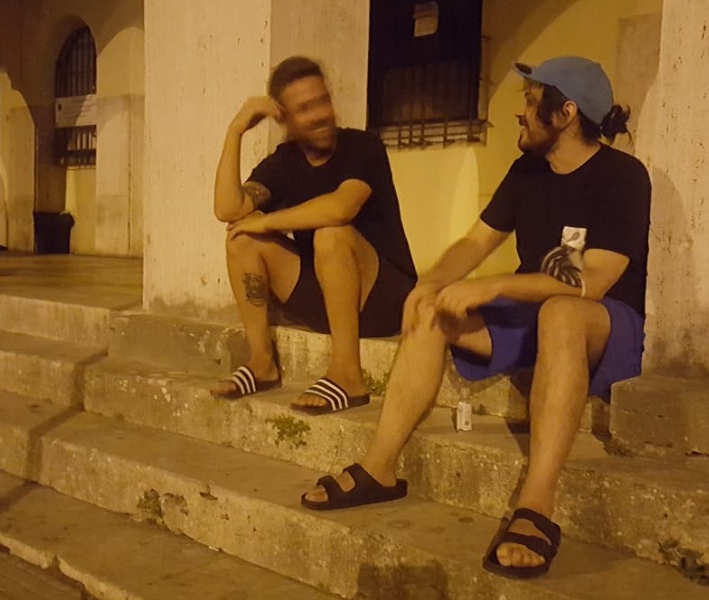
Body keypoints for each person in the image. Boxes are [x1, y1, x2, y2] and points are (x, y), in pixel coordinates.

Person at [298, 56, 652, 579]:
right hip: (536, 312)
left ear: (566, 113)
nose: (519, 112)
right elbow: (474, 243)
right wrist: (431, 284)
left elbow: (592, 279)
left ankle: (536, 504)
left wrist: (494, 285)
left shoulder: (622, 176)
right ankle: (379, 467)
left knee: (562, 312)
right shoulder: (527, 171)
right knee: (432, 307)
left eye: (531, 100)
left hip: (601, 322)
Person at [210, 56, 417, 414]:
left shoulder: (363, 147)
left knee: (331, 234)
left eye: (323, 101)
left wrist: (268, 222)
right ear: (285, 120)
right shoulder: (284, 162)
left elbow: (340, 208)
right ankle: (262, 363)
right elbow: (228, 209)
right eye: (305, 108)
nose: (320, 114)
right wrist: (235, 131)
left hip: (383, 298)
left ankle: (348, 375)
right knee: (241, 238)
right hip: (325, 294)